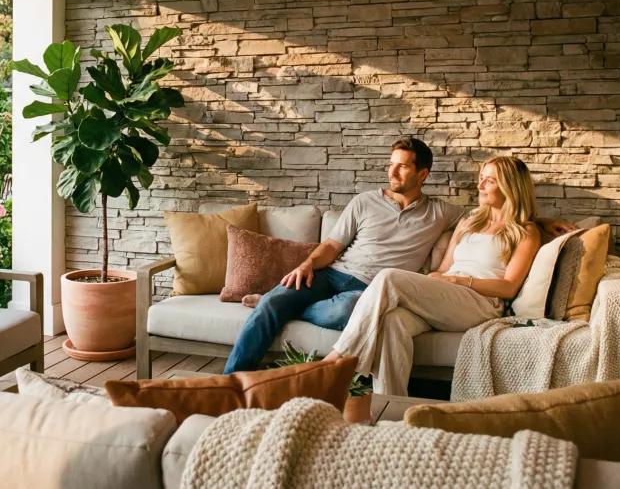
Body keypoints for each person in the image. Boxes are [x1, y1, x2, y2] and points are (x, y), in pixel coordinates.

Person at [222, 139, 569, 375]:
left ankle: (328, 359)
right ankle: (232, 381)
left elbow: (503, 222)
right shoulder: (364, 201)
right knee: (274, 302)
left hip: (371, 289)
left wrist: (539, 220)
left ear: (422, 174)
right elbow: (331, 246)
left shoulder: (442, 213)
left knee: (347, 308)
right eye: (392, 165)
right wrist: (307, 263)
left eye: (402, 167)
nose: (392, 172)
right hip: (334, 274)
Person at [323, 156, 542, 395]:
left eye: (488, 181)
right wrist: (434, 281)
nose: (479, 186)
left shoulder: (526, 232)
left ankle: (339, 359)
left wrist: (457, 281)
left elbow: (509, 287)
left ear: (510, 187)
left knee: (389, 277)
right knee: (392, 321)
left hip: (481, 303)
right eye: (481, 179)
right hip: (447, 297)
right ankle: (389, 407)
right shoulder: (468, 222)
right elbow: (445, 267)